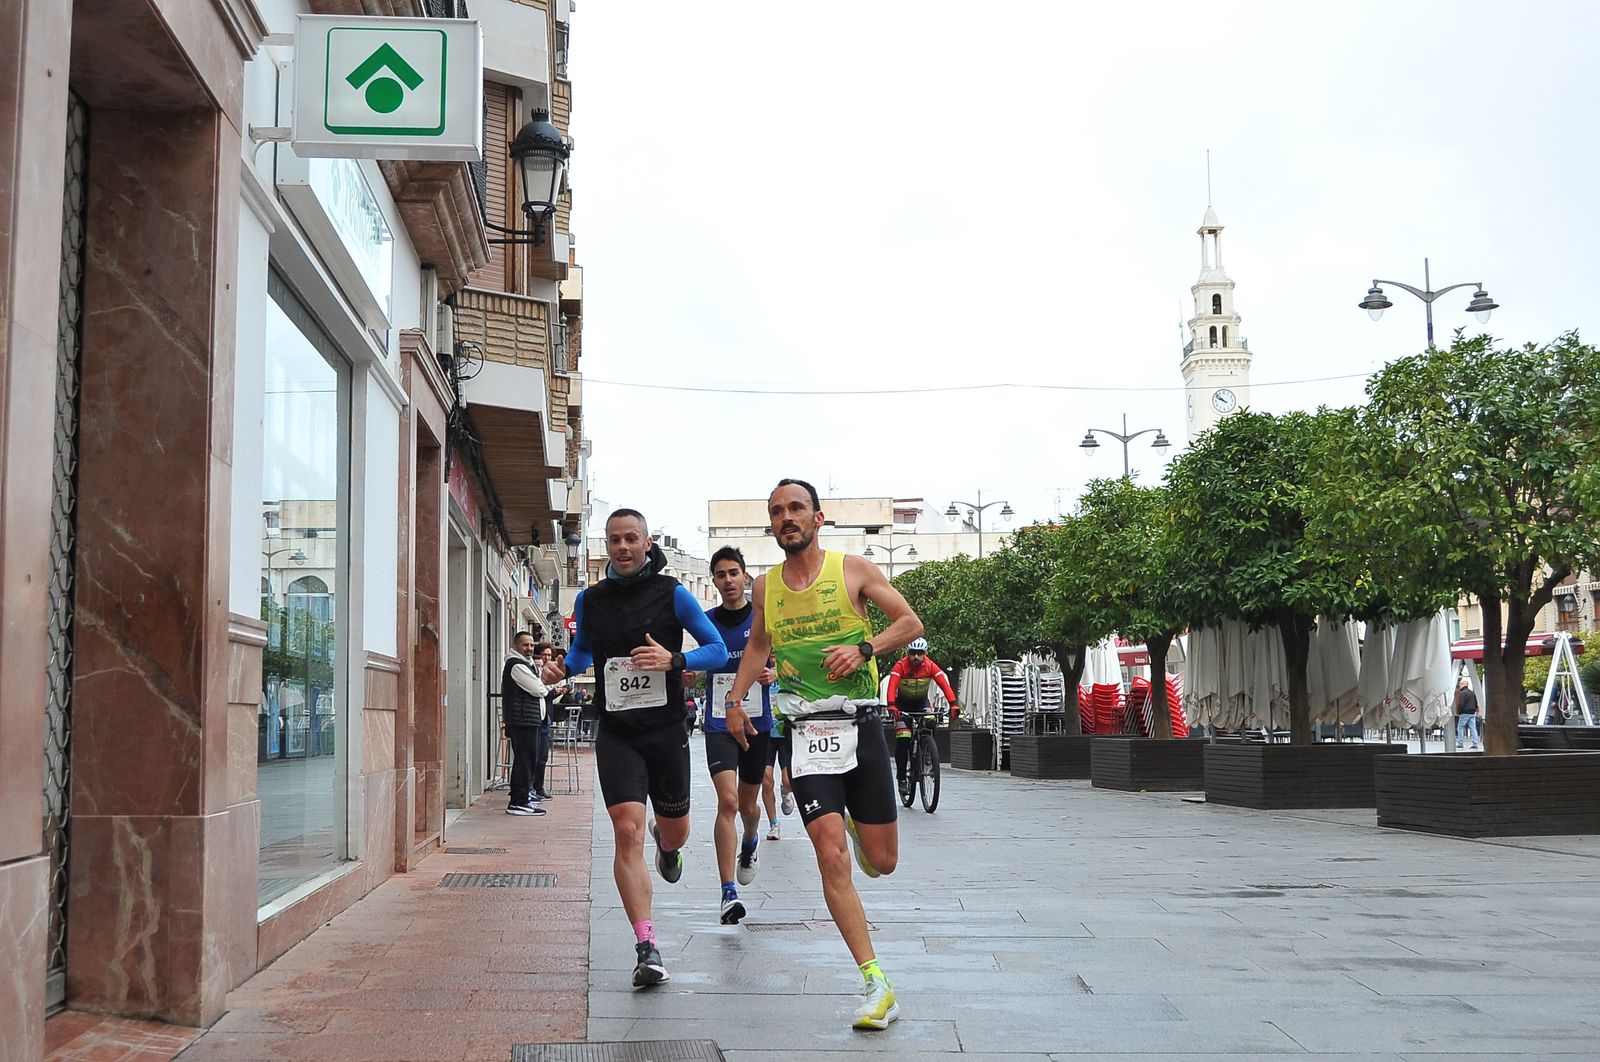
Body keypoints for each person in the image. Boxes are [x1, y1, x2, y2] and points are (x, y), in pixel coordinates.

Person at [722, 478, 925, 1030]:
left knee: (882, 863)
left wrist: (864, 647)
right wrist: (736, 700)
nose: (786, 517)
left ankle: (862, 827)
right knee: (829, 852)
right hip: (806, 735)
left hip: (860, 728)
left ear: (818, 518)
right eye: (776, 511)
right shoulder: (764, 588)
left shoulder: (854, 570)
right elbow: (758, 643)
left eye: (796, 508)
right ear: (771, 525)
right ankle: (875, 983)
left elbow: (910, 623)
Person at [541, 509, 727, 988]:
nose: (622, 547)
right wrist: (565, 666)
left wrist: (675, 658)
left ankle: (670, 847)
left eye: (631, 539)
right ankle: (647, 945)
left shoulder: (673, 594)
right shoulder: (590, 600)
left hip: (665, 730)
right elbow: (584, 653)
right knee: (627, 830)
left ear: (646, 545)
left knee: (676, 831)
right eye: (614, 540)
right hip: (618, 731)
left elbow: (719, 650)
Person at [697, 546, 778, 925]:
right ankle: (728, 892)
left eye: (734, 573)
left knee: (748, 806)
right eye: (720, 574)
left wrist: (773, 674)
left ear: (746, 577)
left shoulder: (764, 620)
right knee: (727, 803)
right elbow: (700, 659)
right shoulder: (706, 621)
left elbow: (787, 661)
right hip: (717, 722)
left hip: (756, 723)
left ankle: (751, 840)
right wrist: (689, 671)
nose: (728, 581)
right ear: (713, 581)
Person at [884, 638, 960, 793]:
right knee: (904, 739)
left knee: (931, 722)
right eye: (913, 653)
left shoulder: (931, 666)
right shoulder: (900, 666)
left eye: (920, 653)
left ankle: (927, 750)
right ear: (908, 653)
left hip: (921, 703)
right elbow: (891, 686)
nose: (916, 657)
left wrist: (953, 704)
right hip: (902, 705)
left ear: (926, 653)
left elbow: (944, 685)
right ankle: (902, 779)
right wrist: (891, 704)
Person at [502, 631, 550, 816]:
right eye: (525, 645)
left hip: (529, 719)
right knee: (525, 761)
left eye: (531, 645)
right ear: (516, 646)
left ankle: (522, 797)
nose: (529, 648)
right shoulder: (516, 665)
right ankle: (519, 801)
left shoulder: (526, 664)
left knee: (528, 760)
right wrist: (542, 685)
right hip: (522, 720)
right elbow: (539, 689)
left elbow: (539, 687)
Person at [532, 642, 562, 801]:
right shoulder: (534, 671)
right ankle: (531, 788)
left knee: (543, 755)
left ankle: (539, 787)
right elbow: (540, 693)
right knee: (534, 755)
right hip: (536, 716)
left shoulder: (551, 673)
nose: (547, 658)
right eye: (545, 654)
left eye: (550, 655)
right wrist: (553, 692)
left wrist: (556, 693)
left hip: (547, 716)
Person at [1453, 675, 1481, 750]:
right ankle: (1475, 743)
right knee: (1473, 728)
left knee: (1460, 727)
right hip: (1472, 712)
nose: (1459, 685)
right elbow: (1475, 703)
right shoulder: (1472, 693)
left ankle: (1460, 743)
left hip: (1465, 713)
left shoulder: (1462, 693)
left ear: (1463, 685)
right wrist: (1475, 709)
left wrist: (1459, 711)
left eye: (1460, 684)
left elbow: (1461, 703)